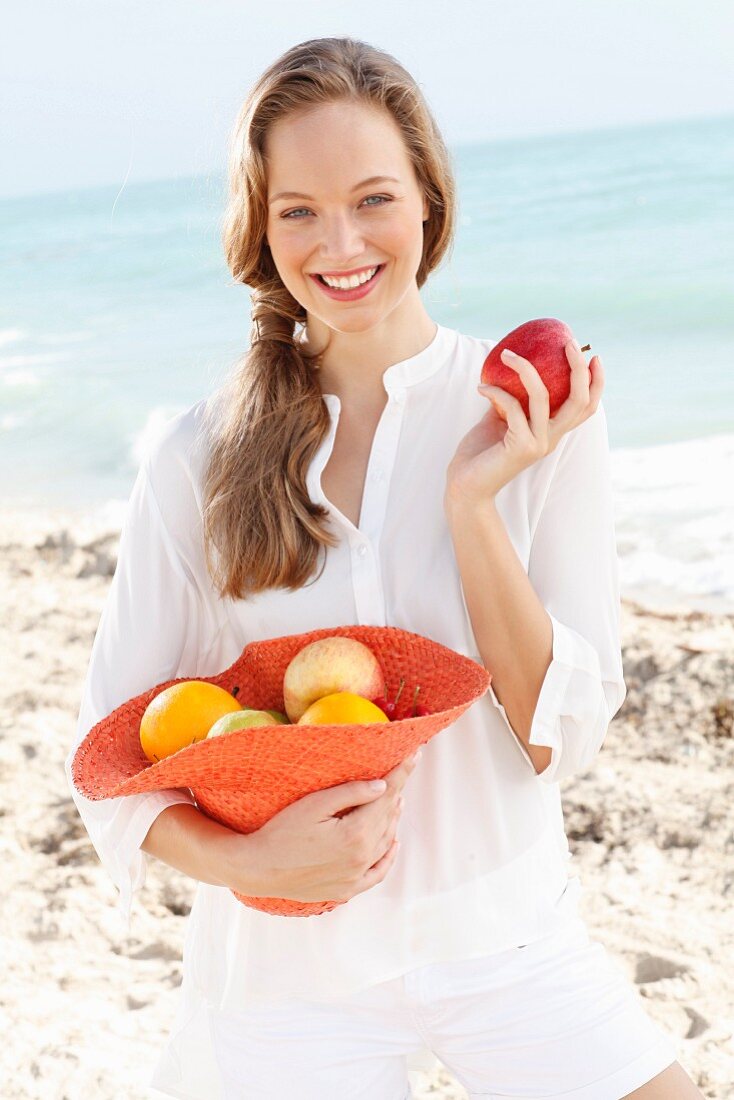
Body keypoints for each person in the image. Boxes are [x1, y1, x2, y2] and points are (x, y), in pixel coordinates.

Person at [65, 35, 704, 1100]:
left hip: (503, 933)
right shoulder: (198, 456)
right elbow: (109, 753)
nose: (341, 241)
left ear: (428, 204)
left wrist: (472, 502)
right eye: (298, 210)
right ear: (260, 230)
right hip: (285, 972)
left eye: (372, 198)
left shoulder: (528, 414)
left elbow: (555, 734)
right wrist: (246, 865)